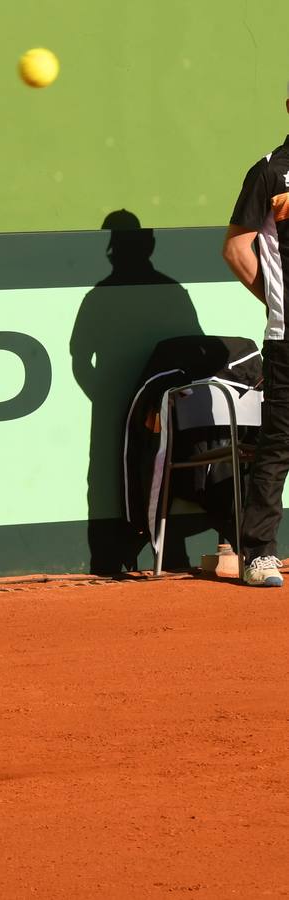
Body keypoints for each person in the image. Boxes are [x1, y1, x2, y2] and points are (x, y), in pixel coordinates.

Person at [221, 85, 289, 588]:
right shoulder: (270, 170)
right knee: (280, 443)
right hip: (288, 337)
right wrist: (277, 302)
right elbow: (237, 249)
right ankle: (259, 554)